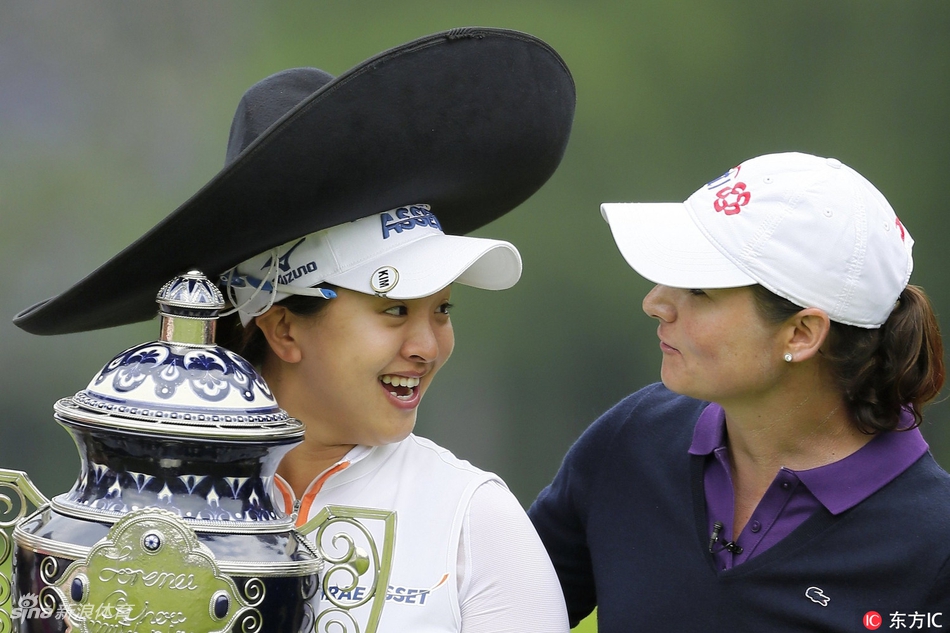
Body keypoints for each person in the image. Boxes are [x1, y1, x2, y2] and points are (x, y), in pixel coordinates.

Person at [15, 28, 575, 632]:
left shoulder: (473, 521)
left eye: (442, 310)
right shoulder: (134, 513)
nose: (428, 346)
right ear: (283, 328)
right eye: (394, 310)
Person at [528, 152, 950, 632]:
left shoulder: (935, 544)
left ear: (801, 334)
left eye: (700, 290)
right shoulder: (633, 439)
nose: (655, 302)